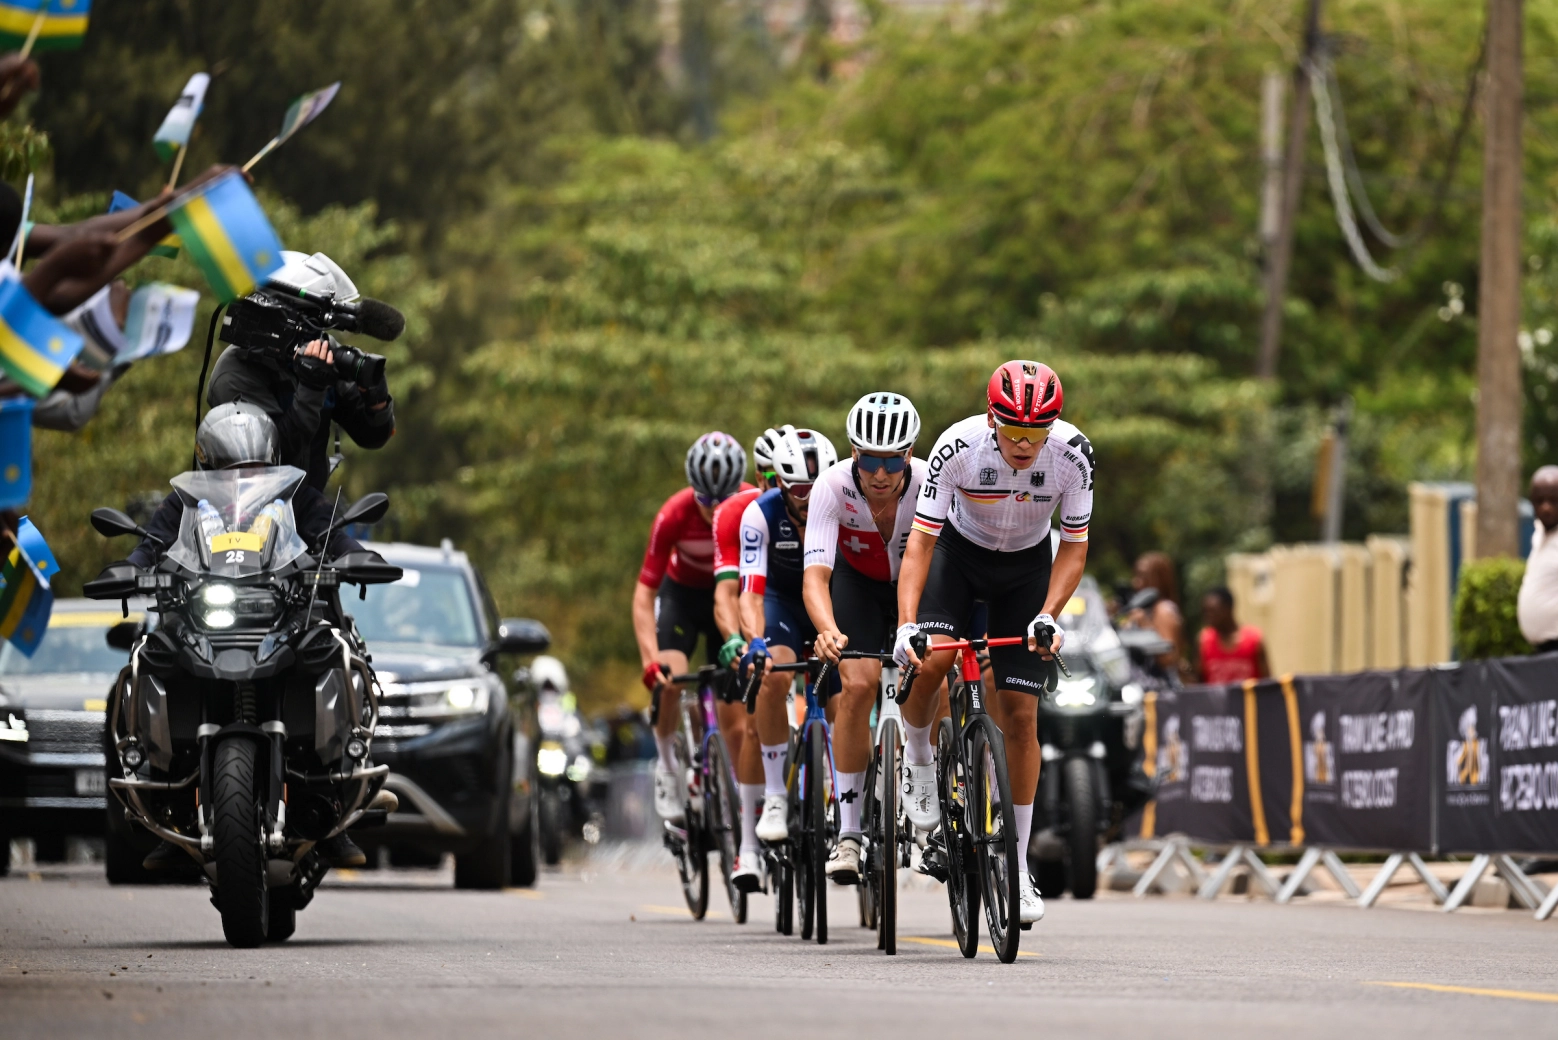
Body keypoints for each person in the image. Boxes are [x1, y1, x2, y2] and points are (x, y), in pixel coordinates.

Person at [127, 402, 371, 870]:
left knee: (335, 650)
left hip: (279, 613)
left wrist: (354, 555)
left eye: (256, 465)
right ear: (208, 464)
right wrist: (132, 569)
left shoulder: (295, 497)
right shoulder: (186, 504)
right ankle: (166, 799)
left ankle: (336, 799)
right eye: (231, 467)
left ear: (272, 459)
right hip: (204, 616)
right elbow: (151, 544)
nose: (245, 475)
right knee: (148, 655)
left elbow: (329, 534)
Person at [894, 360, 1095, 926]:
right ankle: (916, 759)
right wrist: (908, 621)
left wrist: (1048, 615)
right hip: (958, 559)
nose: (1026, 444)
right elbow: (921, 544)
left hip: (1027, 570)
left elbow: (1074, 549)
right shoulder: (957, 447)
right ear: (991, 420)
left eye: (1038, 433)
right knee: (931, 659)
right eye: (1014, 433)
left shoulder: (1073, 454)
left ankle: (1016, 864)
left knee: (1022, 716)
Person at [802, 392, 926, 884]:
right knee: (856, 686)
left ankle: (931, 785)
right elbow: (816, 576)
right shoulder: (830, 487)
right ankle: (850, 834)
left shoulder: (931, 482)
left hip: (917, 583)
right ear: (853, 453)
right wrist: (827, 629)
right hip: (857, 584)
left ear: (909, 455)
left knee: (933, 674)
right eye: (869, 459)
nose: (880, 473)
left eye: (892, 460)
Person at [632, 431, 751, 822]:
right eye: (705, 500)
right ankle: (667, 766)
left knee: (735, 719)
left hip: (727, 597)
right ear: (692, 490)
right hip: (682, 597)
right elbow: (644, 596)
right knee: (670, 682)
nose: (715, 510)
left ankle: (740, 799)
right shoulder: (673, 514)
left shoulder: (752, 504)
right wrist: (650, 661)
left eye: (724, 501)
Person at [207, 252, 396, 492]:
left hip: (310, 510)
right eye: (311, 322)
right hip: (248, 512)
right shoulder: (234, 374)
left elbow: (372, 437)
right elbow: (274, 458)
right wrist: (311, 388)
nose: (318, 334)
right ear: (283, 318)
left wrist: (375, 399)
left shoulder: (321, 353)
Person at [740, 427, 839, 851]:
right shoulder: (759, 514)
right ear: (778, 482)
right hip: (782, 602)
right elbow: (750, 592)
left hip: (829, 601)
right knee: (773, 675)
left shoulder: (844, 504)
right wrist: (754, 643)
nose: (809, 495)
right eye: (799, 488)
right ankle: (776, 797)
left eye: (817, 485)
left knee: (846, 689)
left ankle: (844, 790)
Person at [710, 433, 780, 891]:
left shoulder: (828, 499)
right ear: (758, 478)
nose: (793, 490)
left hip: (808, 602)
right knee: (754, 720)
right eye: (775, 480)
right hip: (761, 604)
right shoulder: (738, 512)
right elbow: (729, 593)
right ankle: (748, 848)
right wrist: (738, 641)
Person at [1126, 551, 1187, 677]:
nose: (1136, 582)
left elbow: (1168, 659)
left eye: (1143, 577)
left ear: (1159, 580)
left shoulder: (1163, 610)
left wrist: (1145, 628)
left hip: (1161, 689)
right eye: (1136, 576)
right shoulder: (1146, 610)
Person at [1518, 465, 1558, 652]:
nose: (1546, 508)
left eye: (1553, 500)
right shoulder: (1540, 533)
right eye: (1540, 501)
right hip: (1543, 651)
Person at [1198, 586, 1270, 683]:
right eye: (1206, 612)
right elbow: (1199, 681)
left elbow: (1267, 682)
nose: (1208, 617)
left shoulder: (1253, 639)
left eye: (1213, 612)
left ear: (1228, 609)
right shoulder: (1205, 641)